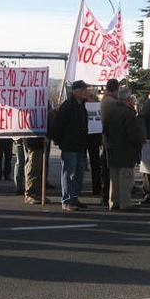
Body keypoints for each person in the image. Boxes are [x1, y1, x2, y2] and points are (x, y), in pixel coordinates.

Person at [103, 87, 145, 211]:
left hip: (112, 149)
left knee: (114, 179)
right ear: (127, 99)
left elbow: (105, 130)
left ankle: (113, 202)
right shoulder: (128, 113)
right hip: (126, 150)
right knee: (126, 179)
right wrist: (139, 142)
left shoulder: (111, 111)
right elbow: (133, 133)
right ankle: (125, 203)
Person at [51, 80, 89, 212]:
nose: (85, 92)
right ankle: (67, 200)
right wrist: (58, 140)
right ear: (75, 91)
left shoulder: (82, 105)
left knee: (78, 174)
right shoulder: (67, 106)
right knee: (69, 173)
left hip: (80, 145)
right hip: (69, 145)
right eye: (83, 89)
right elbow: (58, 125)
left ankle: (74, 197)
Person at [99, 79, 120, 206]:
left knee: (106, 170)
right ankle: (108, 196)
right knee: (110, 171)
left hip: (107, 139)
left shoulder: (105, 100)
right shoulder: (113, 103)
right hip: (112, 140)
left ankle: (105, 195)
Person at [85, 89, 103, 196]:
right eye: (88, 96)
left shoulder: (98, 107)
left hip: (94, 139)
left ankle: (97, 188)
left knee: (95, 164)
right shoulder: (81, 106)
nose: (90, 98)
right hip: (83, 138)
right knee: (79, 165)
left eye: (92, 96)